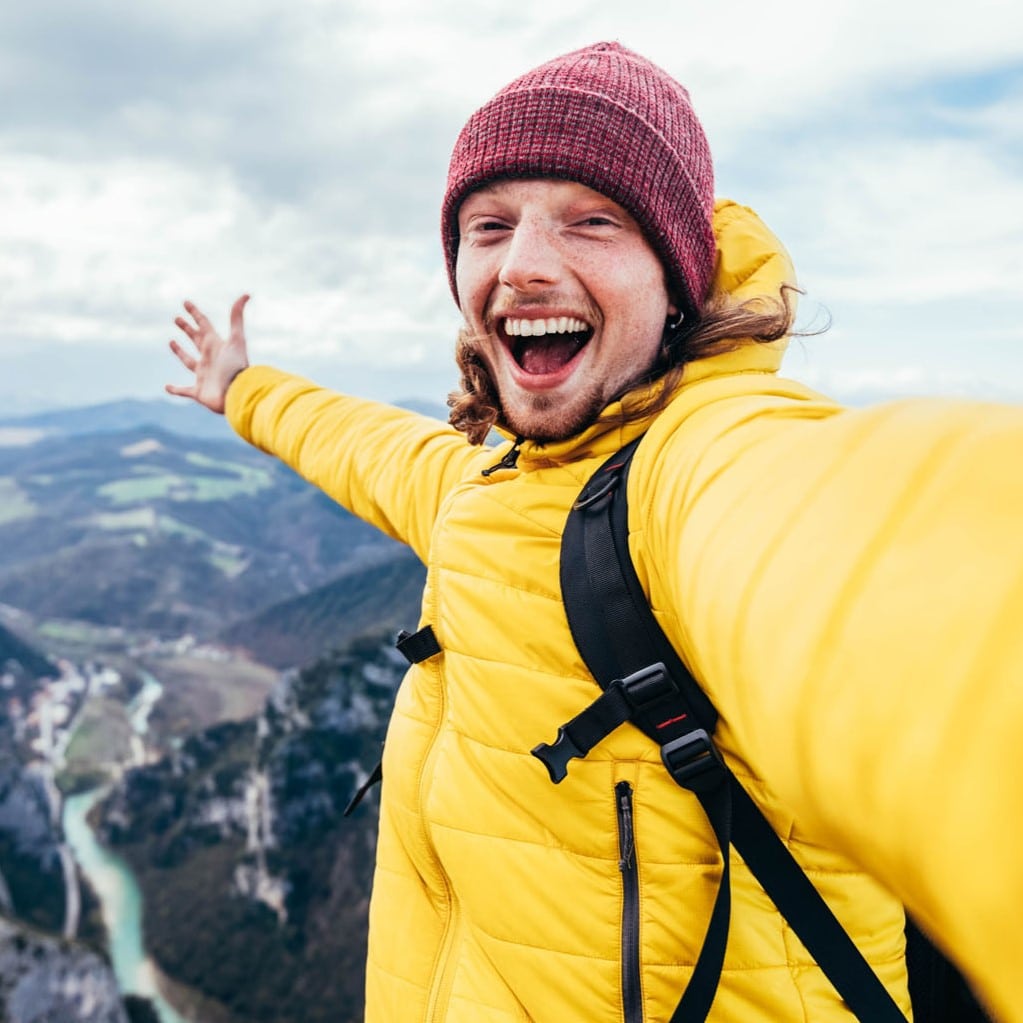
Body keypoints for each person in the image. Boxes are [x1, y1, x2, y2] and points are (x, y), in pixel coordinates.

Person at [167, 42, 1022, 1023]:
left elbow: (891, 573)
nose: (524, 264)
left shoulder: (701, 472)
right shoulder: (485, 484)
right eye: (489, 226)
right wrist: (241, 389)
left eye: (594, 221)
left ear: (677, 284)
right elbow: (361, 443)